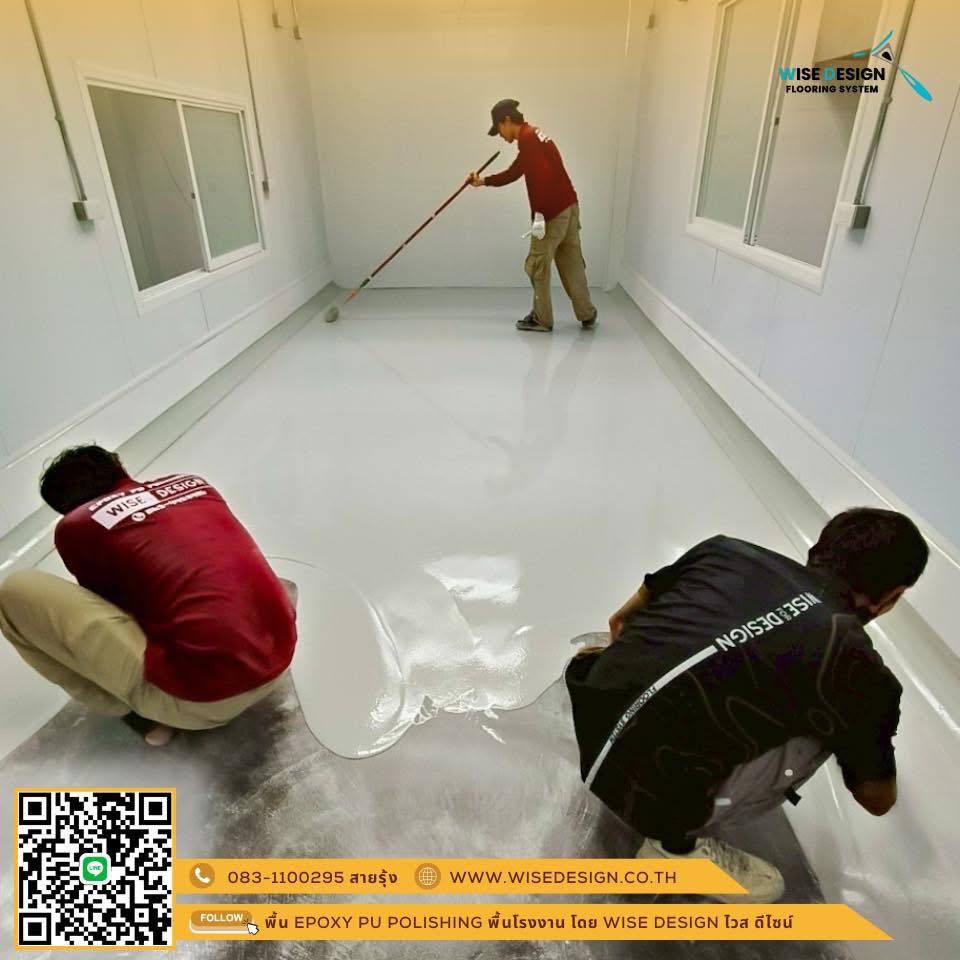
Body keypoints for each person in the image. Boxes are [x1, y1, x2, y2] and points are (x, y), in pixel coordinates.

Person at [565, 508, 928, 902]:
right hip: (644, 794)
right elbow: (876, 800)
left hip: (589, 719)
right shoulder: (861, 668)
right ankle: (674, 848)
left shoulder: (725, 551)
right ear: (890, 598)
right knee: (830, 719)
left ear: (821, 547)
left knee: (679, 635)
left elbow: (620, 622)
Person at [0, 446, 297, 747]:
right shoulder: (193, 483)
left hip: (205, 701)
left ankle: (141, 716)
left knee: (14, 592)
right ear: (119, 466)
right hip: (279, 655)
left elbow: (113, 609)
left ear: (65, 508)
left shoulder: (75, 527)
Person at [469, 99, 598, 333]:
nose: (500, 135)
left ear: (507, 120)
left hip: (551, 213)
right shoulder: (534, 136)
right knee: (572, 265)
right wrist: (483, 181)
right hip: (569, 207)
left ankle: (542, 318)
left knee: (537, 265)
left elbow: (542, 178)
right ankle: (587, 313)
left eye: (499, 129)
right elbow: (515, 172)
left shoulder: (528, 139)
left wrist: (539, 214)